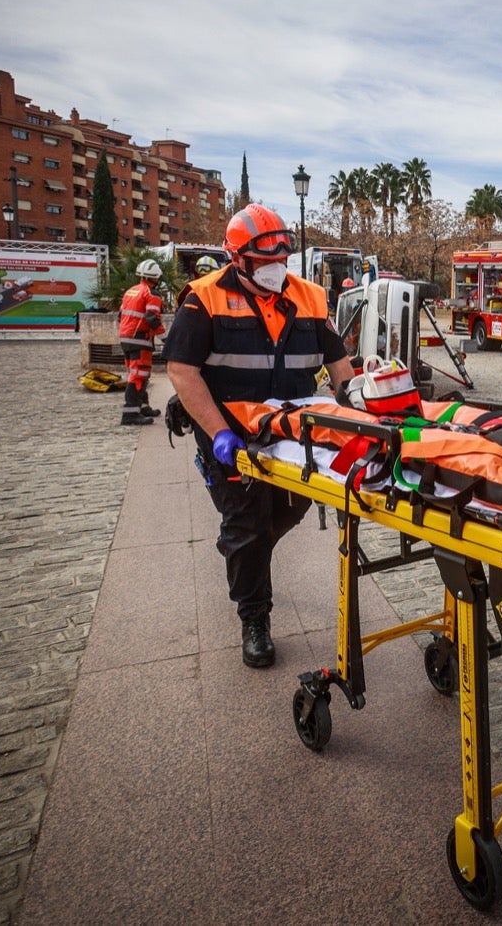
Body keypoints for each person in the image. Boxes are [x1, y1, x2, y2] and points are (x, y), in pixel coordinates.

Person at [163, 204, 354, 669]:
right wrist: (218, 433)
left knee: (286, 512)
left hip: (294, 438)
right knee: (248, 526)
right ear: (238, 260)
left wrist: (357, 408)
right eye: (264, 261)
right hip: (231, 438)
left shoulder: (311, 297)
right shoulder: (204, 298)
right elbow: (182, 370)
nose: (275, 268)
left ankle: (242, 552)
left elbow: (339, 367)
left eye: (281, 259)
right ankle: (254, 616)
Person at [118, 259, 166, 426]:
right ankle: (130, 414)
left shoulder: (130, 291)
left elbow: (121, 315)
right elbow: (152, 318)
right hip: (141, 339)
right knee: (139, 376)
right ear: (156, 277)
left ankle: (143, 407)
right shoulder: (152, 294)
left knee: (136, 374)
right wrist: (165, 338)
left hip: (125, 338)